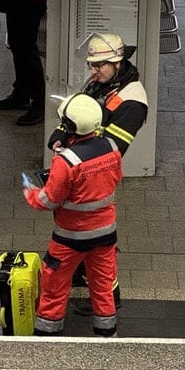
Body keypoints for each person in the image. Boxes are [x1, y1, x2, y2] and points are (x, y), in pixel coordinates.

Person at [48, 32, 149, 316]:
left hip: (96, 175)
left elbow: (113, 149)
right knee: (80, 229)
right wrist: (60, 132)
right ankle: (82, 273)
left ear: (118, 63)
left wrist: (73, 156)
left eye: (99, 65)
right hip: (80, 167)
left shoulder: (132, 101)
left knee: (97, 239)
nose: (93, 71)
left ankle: (109, 297)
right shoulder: (101, 82)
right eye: (92, 65)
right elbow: (76, 109)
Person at [23, 93, 122, 337]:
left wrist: (31, 192)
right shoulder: (112, 148)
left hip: (70, 238)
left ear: (70, 127)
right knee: (102, 286)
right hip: (106, 234)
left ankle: (47, 335)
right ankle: (107, 335)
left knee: (55, 286)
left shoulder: (66, 162)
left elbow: (50, 200)